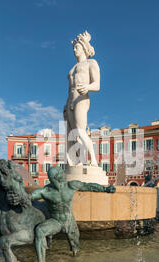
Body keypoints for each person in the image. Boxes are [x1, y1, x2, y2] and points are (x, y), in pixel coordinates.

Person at [30, 166, 115, 262]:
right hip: (55, 221)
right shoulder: (46, 191)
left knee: (75, 246)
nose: (63, 174)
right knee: (39, 230)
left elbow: (89, 186)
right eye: (61, 173)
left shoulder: (71, 185)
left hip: (69, 221)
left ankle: (76, 261)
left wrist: (105, 189)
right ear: (57, 177)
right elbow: (31, 196)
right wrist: (21, 198)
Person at [63, 31, 100, 166]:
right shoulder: (72, 69)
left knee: (80, 130)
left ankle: (93, 160)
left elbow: (97, 85)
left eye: (77, 47)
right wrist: (66, 105)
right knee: (72, 134)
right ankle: (78, 160)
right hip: (70, 100)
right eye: (73, 48)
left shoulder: (91, 63)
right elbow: (69, 88)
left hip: (81, 97)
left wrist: (87, 87)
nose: (74, 50)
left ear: (84, 48)